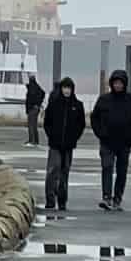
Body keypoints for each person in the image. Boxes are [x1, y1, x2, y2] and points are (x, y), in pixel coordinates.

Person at [90, 68, 131, 210]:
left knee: (121, 172)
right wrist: (100, 133)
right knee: (107, 167)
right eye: (115, 83)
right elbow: (94, 118)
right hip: (107, 142)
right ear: (111, 84)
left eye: (120, 83)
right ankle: (106, 197)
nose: (117, 85)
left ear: (124, 84)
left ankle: (117, 198)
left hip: (124, 143)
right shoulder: (104, 100)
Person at [41, 76, 86, 212]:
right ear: (61, 89)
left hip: (68, 146)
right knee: (52, 171)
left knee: (64, 173)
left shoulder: (77, 106)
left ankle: (62, 201)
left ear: (72, 90)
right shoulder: (54, 104)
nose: (67, 90)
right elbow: (47, 123)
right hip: (55, 145)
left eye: (69, 88)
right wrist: (52, 136)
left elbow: (81, 125)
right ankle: (50, 200)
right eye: (65, 87)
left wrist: (74, 138)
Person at [24, 76, 46, 146]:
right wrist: (39, 103)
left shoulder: (32, 88)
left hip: (32, 109)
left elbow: (30, 99)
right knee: (34, 125)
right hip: (36, 108)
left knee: (31, 125)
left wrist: (36, 104)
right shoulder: (37, 87)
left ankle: (32, 141)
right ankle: (35, 140)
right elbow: (43, 93)